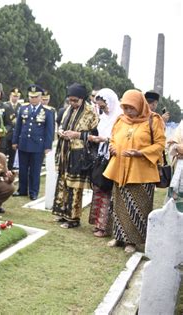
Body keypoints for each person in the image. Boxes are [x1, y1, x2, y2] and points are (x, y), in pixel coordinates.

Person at [104, 90, 165, 253]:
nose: (128, 112)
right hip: (120, 168)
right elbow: (114, 137)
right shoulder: (120, 119)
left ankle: (132, 241)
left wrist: (140, 152)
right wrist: (112, 147)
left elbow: (160, 144)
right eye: (125, 108)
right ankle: (118, 237)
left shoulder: (153, 120)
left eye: (131, 108)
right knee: (118, 204)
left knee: (137, 207)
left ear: (140, 105)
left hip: (141, 172)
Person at [52, 83, 99, 229]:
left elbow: (95, 135)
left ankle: (73, 218)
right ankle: (61, 213)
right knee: (62, 182)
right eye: (70, 100)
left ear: (82, 99)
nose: (72, 103)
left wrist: (77, 135)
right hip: (65, 151)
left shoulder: (90, 112)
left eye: (75, 101)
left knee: (74, 186)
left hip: (79, 154)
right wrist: (61, 131)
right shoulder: (68, 110)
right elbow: (62, 125)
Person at [87, 88, 122, 237]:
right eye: (100, 107)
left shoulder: (119, 118)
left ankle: (105, 226)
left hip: (113, 158)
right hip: (101, 156)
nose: (102, 109)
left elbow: (119, 139)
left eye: (104, 106)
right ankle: (97, 223)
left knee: (107, 190)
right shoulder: (104, 118)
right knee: (98, 188)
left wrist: (105, 140)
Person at [12, 84, 54, 200]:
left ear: (40, 97)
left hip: (38, 145)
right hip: (23, 143)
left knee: (35, 170)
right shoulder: (23, 108)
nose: (33, 99)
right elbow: (18, 127)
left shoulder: (47, 111)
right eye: (31, 97)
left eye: (35, 97)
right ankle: (22, 189)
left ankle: (34, 192)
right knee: (23, 169)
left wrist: (47, 146)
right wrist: (15, 141)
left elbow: (49, 130)